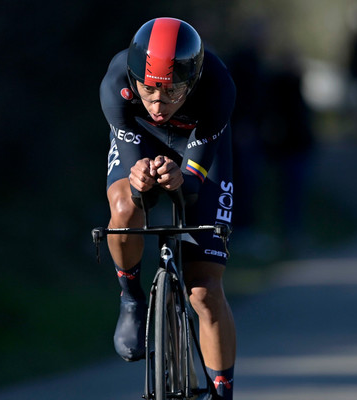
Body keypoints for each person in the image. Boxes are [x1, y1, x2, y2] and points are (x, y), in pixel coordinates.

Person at [100, 17, 236, 399]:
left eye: (172, 91)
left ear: (191, 82)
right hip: (140, 141)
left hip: (197, 146)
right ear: (133, 79)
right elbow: (130, 162)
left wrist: (183, 178)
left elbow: (193, 184)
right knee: (126, 205)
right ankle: (131, 298)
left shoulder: (217, 87)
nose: (158, 105)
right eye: (148, 91)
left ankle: (223, 392)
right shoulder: (116, 84)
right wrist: (140, 174)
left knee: (204, 290)